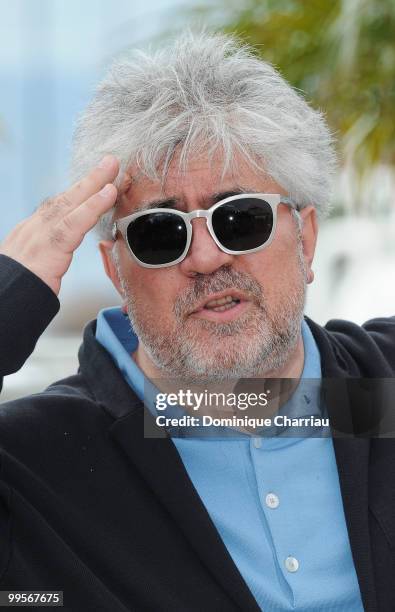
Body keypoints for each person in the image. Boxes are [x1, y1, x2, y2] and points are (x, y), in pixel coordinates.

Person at [0, 30, 393, 612]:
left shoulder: (381, 390)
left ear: (306, 239)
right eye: (160, 233)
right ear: (116, 271)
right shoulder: (31, 468)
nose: (206, 258)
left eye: (240, 220)